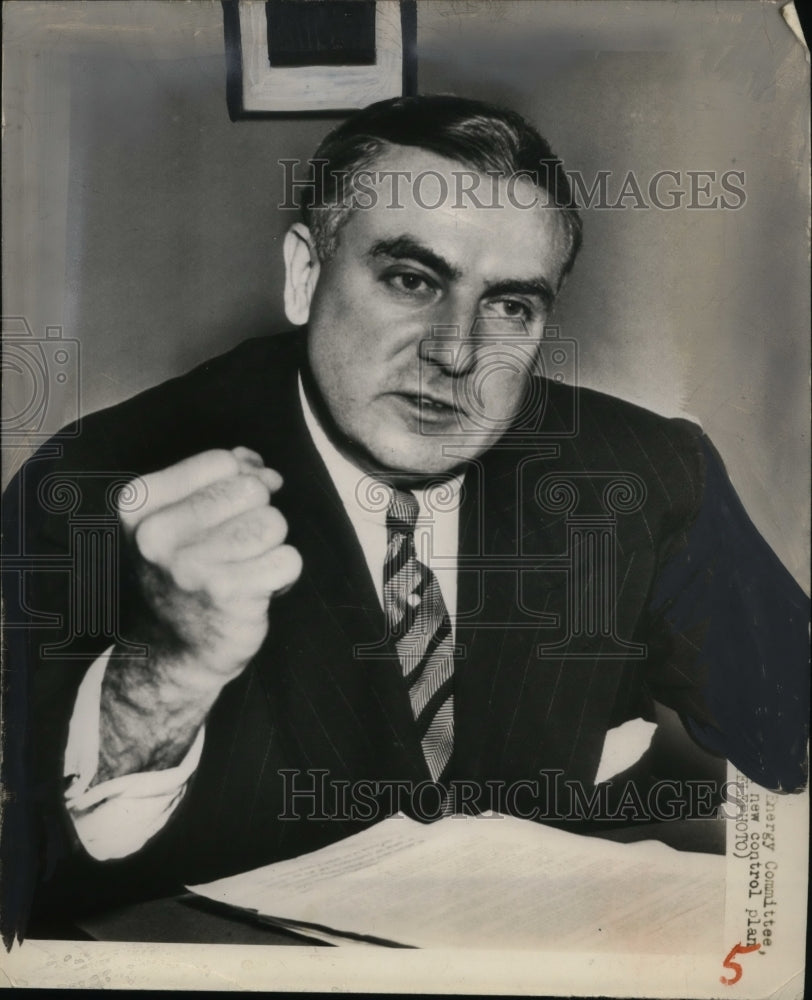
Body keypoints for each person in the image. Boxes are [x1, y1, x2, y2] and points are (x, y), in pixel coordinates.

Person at [2, 95, 808, 939]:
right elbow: (22, 873)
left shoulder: (641, 473)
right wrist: (161, 674)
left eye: (510, 306)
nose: (456, 351)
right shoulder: (96, 485)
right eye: (411, 280)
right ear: (304, 275)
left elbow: (789, 730)